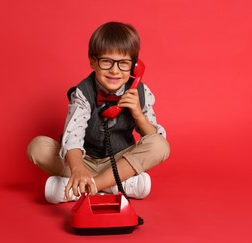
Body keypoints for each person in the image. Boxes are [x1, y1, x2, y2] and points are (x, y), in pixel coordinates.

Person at [27, 21, 170, 204]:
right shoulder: (83, 92)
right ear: (93, 62)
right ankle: (114, 185)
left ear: (134, 66)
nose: (115, 70)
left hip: (119, 160)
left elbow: (153, 139)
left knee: (160, 144)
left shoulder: (141, 92)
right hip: (84, 159)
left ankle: (87, 187)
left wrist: (138, 114)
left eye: (123, 63)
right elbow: (73, 136)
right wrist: (78, 168)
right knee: (37, 147)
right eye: (106, 62)